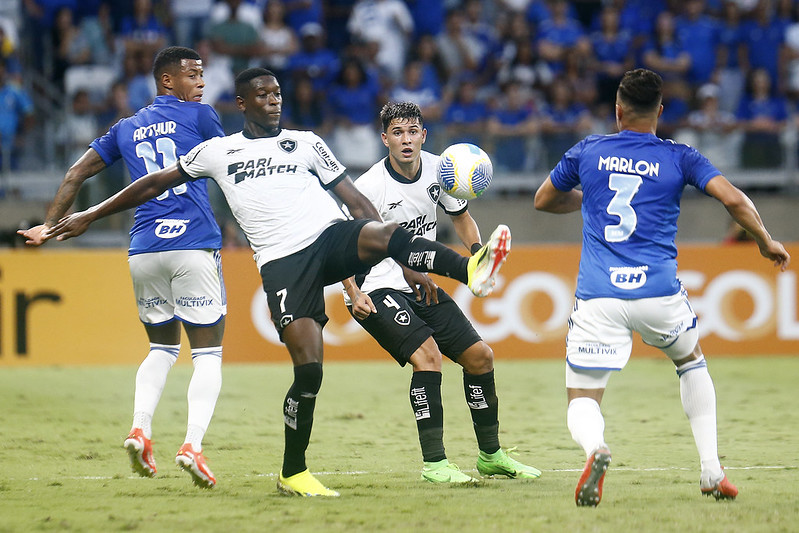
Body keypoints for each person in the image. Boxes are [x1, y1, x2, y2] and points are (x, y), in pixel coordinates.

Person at [44, 68, 512, 497]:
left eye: (278, 94)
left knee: (388, 231)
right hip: (284, 265)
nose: (273, 101)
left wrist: (396, 251)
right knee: (309, 368)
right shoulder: (218, 151)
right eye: (262, 95)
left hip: (328, 240)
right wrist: (88, 212)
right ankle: (294, 471)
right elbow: (151, 184)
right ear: (242, 104)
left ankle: (471, 269)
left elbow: (355, 202)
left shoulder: (307, 142)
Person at [533, 68, 790, 507]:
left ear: (617, 111)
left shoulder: (588, 151)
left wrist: (588, 201)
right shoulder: (680, 156)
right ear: (660, 112)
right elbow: (734, 200)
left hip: (599, 297)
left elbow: (542, 199)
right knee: (691, 363)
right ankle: (712, 470)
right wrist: (765, 241)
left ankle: (596, 449)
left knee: (582, 396)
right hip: (659, 295)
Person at [18, 46, 227, 489]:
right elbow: (231, 170)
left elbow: (75, 174)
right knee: (207, 354)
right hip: (193, 242)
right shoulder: (203, 117)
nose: (202, 83)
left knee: (161, 350)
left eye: (202, 75)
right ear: (167, 80)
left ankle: (140, 430)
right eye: (193, 74)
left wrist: (47, 226)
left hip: (144, 247)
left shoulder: (126, 127)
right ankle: (191, 445)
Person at [343, 101, 541, 484]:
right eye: (397, 133)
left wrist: (478, 251)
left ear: (423, 136)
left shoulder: (442, 169)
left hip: (421, 282)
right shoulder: (370, 186)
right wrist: (351, 291)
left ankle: (491, 456)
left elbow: (460, 215)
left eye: (412, 132)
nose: (406, 140)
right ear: (384, 139)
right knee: (428, 358)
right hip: (377, 286)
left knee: (481, 357)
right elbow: (348, 244)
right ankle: (435, 464)